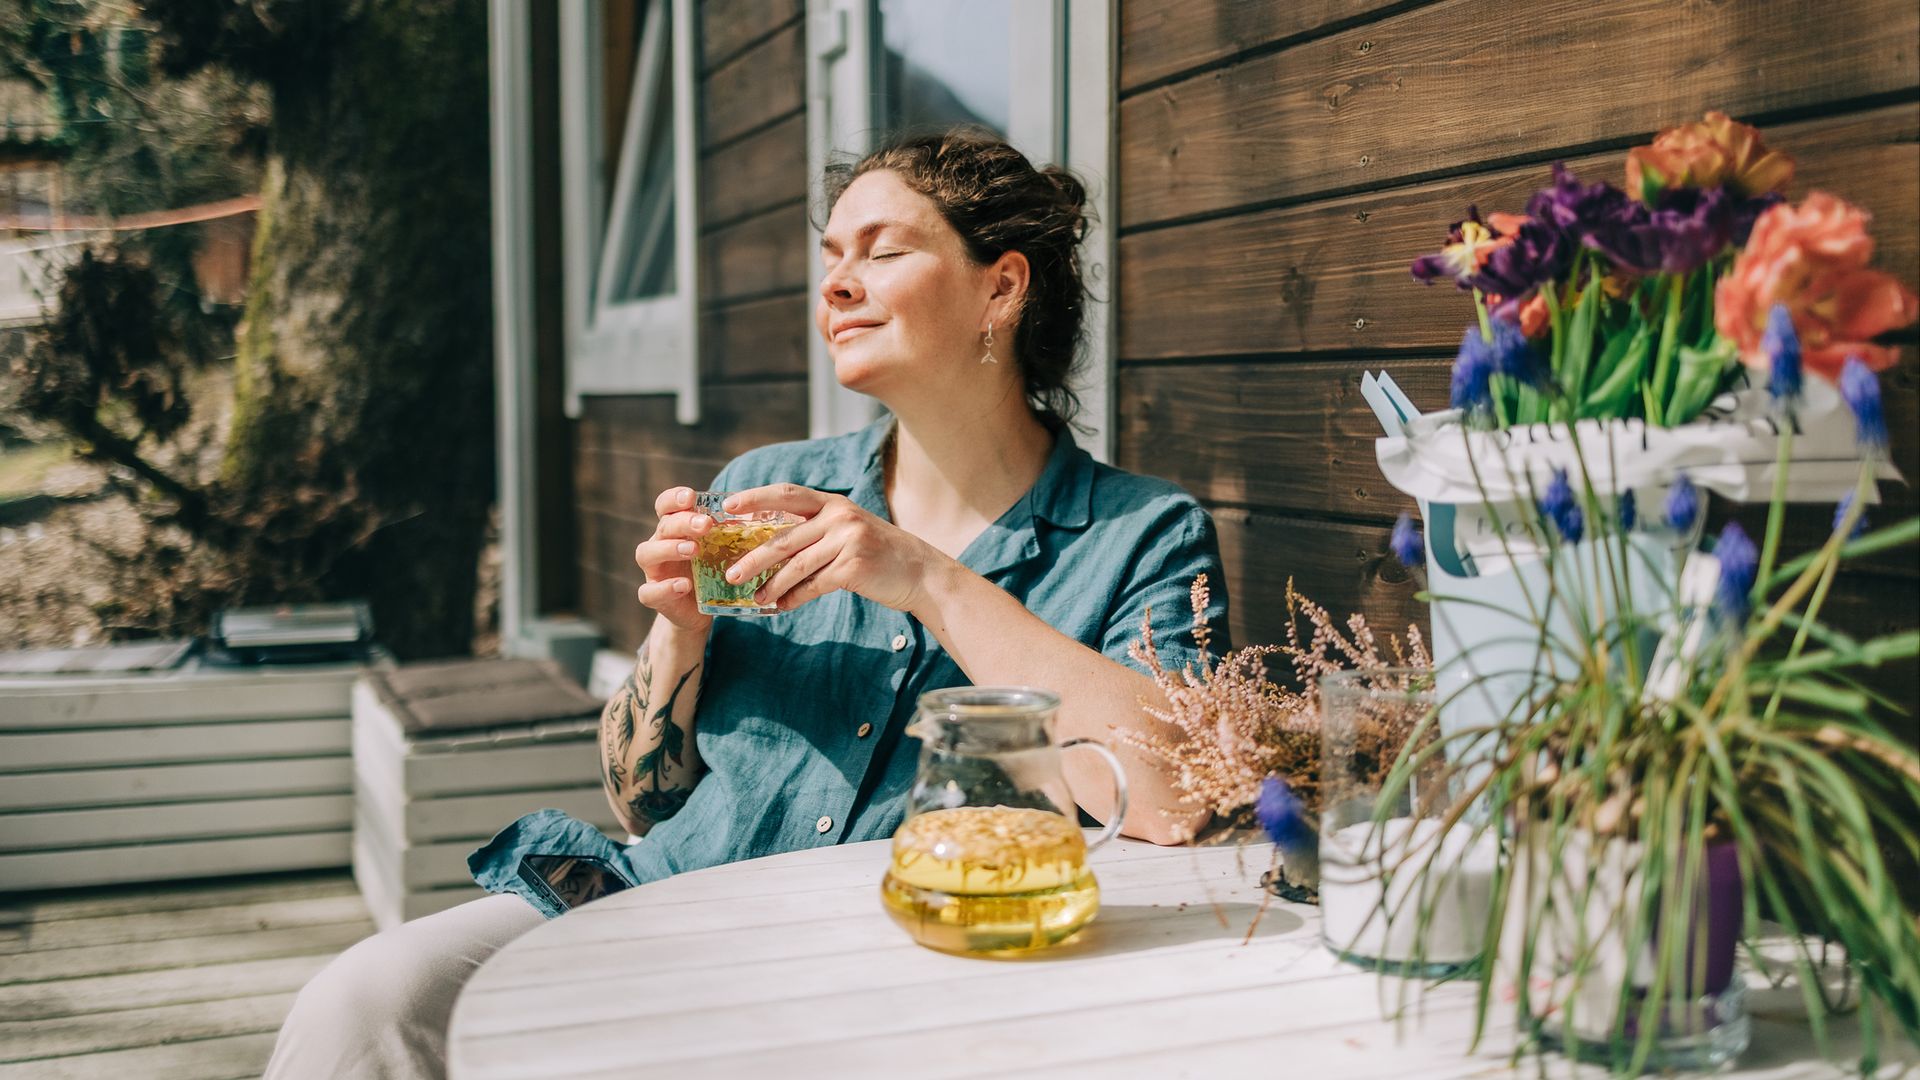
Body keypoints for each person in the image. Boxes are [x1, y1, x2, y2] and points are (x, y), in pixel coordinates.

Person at [264, 128, 1229, 1079]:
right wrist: (677, 635)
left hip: (898, 969)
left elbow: (1175, 795)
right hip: (667, 905)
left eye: (884, 252)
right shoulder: (768, 488)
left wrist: (928, 579)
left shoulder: (1140, 535)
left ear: (1002, 286)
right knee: (366, 1002)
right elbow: (645, 801)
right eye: (831, 260)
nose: (838, 284)